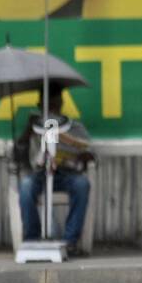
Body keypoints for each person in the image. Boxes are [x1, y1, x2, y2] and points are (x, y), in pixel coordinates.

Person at [15, 88, 95, 257]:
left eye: (54, 105)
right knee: (26, 186)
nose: (51, 109)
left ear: (61, 104)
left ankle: (69, 242)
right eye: (46, 105)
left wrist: (80, 156)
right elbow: (18, 155)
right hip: (40, 174)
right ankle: (32, 240)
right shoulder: (34, 127)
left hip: (66, 174)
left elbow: (90, 152)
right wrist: (27, 131)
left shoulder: (74, 127)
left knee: (82, 185)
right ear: (39, 106)